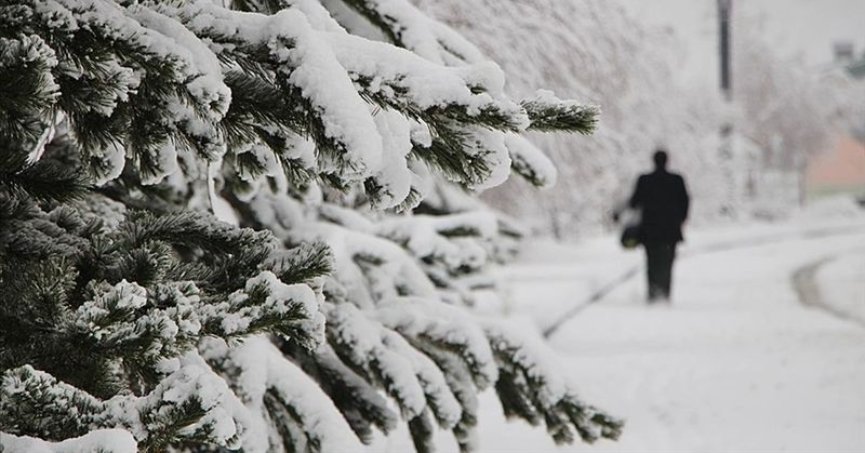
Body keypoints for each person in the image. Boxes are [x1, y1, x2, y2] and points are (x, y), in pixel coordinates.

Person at [628, 149, 689, 302]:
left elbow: (634, 202)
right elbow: (685, 202)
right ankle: (665, 293)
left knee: (651, 262)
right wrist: (680, 220)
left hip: (650, 230)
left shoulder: (644, 180)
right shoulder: (676, 180)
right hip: (670, 231)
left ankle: (653, 293)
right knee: (667, 262)